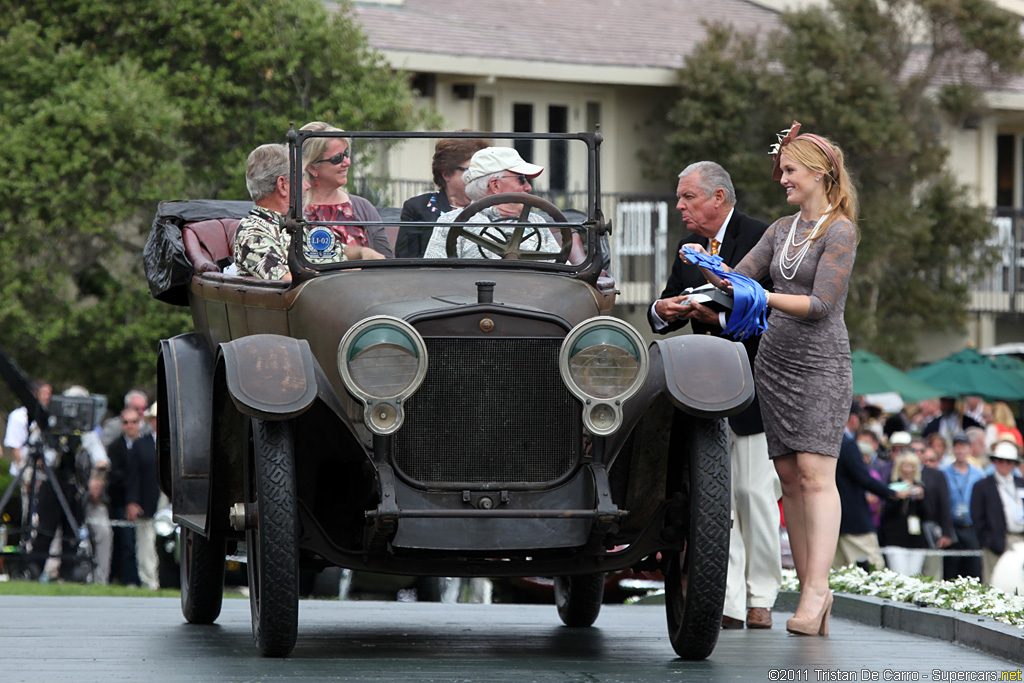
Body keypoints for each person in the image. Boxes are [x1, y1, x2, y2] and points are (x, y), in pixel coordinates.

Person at [686, 122, 858, 636]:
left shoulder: (840, 230)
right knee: (788, 479)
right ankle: (811, 594)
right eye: (782, 169)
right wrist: (706, 272)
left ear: (819, 172)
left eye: (789, 169)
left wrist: (757, 296)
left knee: (814, 474)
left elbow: (821, 304)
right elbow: (738, 277)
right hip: (774, 363)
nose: (781, 178)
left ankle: (815, 591)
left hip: (822, 363)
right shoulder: (781, 229)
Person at [648, 160, 780, 630]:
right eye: (680, 197)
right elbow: (665, 308)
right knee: (713, 502)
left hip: (756, 389)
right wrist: (662, 310)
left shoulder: (762, 237)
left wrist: (719, 318)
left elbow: (771, 311)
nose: (680, 206)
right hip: (700, 391)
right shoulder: (688, 250)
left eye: (688, 197)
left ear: (718, 198)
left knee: (752, 493)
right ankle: (726, 599)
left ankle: (762, 594)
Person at [234, 143, 384, 280]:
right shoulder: (252, 234)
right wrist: (349, 274)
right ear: (283, 186)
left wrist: (363, 253)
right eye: (301, 177)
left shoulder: (295, 223)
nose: (307, 185)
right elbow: (290, 283)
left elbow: (334, 250)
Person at [422, 147, 560, 260]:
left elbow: (564, 269)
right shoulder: (451, 222)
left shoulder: (536, 221)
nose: (529, 188)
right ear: (495, 185)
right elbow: (436, 274)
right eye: (521, 179)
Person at [300, 121, 394, 258]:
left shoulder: (363, 207)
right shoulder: (293, 210)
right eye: (338, 158)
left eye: (347, 153)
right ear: (312, 168)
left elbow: (386, 263)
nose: (347, 162)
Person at [396, 136, 491, 257]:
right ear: (446, 174)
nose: (480, 175)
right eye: (472, 169)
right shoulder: (417, 208)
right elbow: (406, 260)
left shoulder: (494, 208)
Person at [835, 402, 896, 571]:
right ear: (853, 419)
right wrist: (893, 493)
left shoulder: (827, 440)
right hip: (854, 521)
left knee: (837, 574)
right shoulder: (846, 444)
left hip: (833, 521)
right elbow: (864, 478)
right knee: (874, 570)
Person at [969, 440, 1024, 584]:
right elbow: (977, 517)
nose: (1005, 464)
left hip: (1021, 539)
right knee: (994, 583)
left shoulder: (1021, 483)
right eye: (1000, 460)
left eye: (1009, 461)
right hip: (997, 541)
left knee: (1018, 583)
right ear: (994, 461)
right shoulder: (982, 486)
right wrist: (988, 541)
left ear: (1014, 463)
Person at [877, 452, 933, 576]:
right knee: (899, 575)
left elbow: (927, 515)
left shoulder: (921, 487)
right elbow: (886, 513)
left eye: (912, 466)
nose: (908, 470)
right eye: (905, 466)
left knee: (914, 576)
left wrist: (920, 499)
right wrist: (899, 496)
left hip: (916, 539)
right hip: (895, 538)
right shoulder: (892, 487)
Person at [126, 402, 161, 590]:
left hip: (170, 501)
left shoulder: (178, 444)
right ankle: (149, 582)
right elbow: (133, 476)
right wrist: (132, 501)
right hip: (147, 501)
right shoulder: (141, 445)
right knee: (146, 543)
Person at [941, 433, 985, 580]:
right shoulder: (944, 473)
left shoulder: (978, 474)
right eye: (957, 447)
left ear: (969, 449)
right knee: (951, 570)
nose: (960, 451)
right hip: (952, 527)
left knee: (973, 568)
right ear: (953, 450)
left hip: (971, 527)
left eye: (963, 447)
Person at [106, 408, 141, 585]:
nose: (130, 426)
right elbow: (115, 477)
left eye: (134, 422)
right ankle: (127, 579)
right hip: (121, 501)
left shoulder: (146, 445)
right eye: (126, 422)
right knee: (124, 541)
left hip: (142, 502)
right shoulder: (115, 447)